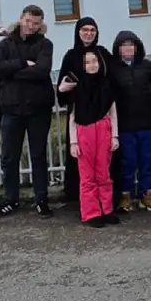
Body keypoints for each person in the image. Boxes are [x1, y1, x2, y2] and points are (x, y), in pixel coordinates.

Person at [0, 5, 56, 219]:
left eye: (36, 23)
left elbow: (41, 71)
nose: (31, 26)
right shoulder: (6, 44)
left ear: (40, 25)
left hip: (38, 108)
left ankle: (41, 199)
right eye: (28, 21)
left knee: (38, 155)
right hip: (11, 108)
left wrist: (13, 72)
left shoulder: (45, 44)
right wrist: (21, 64)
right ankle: (11, 199)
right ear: (21, 20)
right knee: (10, 156)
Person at [59, 46, 121, 228]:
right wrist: (73, 142)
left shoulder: (106, 85)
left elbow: (113, 112)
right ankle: (91, 212)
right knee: (87, 176)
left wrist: (115, 136)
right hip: (84, 131)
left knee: (104, 173)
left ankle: (107, 209)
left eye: (94, 61)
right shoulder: (77, 88)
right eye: (87, 62)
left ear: (100, 63)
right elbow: (71, 116)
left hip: (104, 129)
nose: (92, 65)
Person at [56, 17, 114, 209]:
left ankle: (105, 203)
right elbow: (62, 87)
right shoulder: (71, 56)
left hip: (102, 114)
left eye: (92, 30)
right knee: (80, 160)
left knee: (103, 164)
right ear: (78, 31)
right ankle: (81, 201)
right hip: (79, 115)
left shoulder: (103, 54)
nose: (88, 33)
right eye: (85, 30)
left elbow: (112, 81)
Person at [111, 30, 151, 213]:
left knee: (147, 160)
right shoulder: (113, 69)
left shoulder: (147, 65)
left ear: (137, 47)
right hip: (125, 124)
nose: (128, 48)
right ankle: (126, 196)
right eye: (124, 45)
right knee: (127, 161)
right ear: (118, 48)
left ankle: (147, 195)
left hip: (146, 122)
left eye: (131, 44)